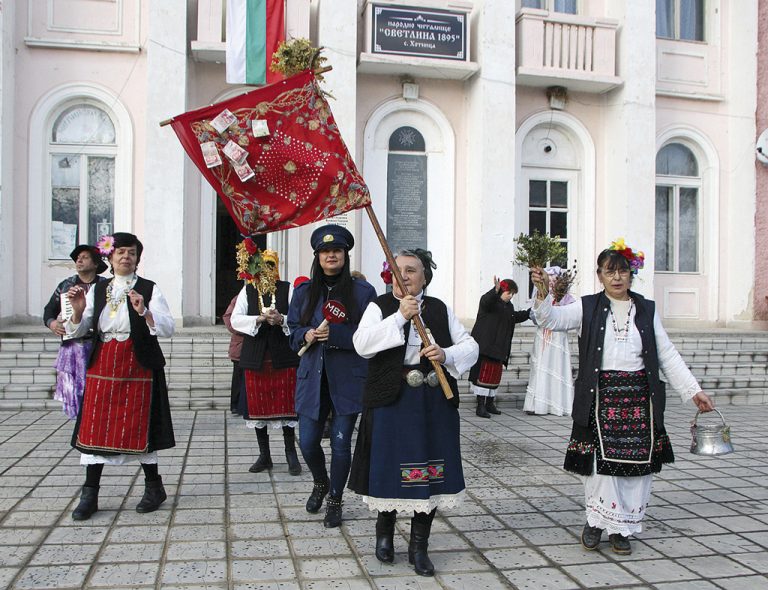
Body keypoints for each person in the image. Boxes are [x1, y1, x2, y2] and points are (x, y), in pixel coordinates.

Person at [530, 239, 714, 555]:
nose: (617, 277)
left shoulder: (646, 309)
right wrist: (543, 292)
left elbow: (666, 353)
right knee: (598, 468)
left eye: (622, 271)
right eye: (609, 271)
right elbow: (550, 320)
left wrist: (693, 390)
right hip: (599, 399)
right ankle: (596, 522)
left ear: (631, 274)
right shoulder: (586, 307)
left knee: (637, 468)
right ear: (600, 276)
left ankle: (622, 529)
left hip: (639, 400)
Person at [349, 249, 479, 576]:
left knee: (430, 474)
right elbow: (362, 344)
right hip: (391, 402)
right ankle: (384, 534)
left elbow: (471, 347)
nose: (403, 276)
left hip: (433, 404)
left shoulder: (439, 308)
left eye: (411, 270)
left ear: (424, 276)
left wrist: (446, 354)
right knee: (390, 469)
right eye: (398, 270)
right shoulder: (379, 306)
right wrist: (399, 316)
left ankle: (419, 546)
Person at [64, 232, 175, 521]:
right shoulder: (98, 289)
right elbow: (80, 328)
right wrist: (77, 312)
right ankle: (90, 494)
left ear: (137, 259)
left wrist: (144, 311)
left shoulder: (149, 288)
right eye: (121, 252)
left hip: (138, 363)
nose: (126, 257)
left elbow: (167, 327)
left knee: (139, 424)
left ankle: (154, 488)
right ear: (110, 257)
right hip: (103, 363)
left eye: (132, 253)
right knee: (95, 426)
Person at [287, 224, 377, 528]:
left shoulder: (363, 293)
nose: (331, 255)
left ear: (345, 255)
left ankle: (335, 499)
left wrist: (335, 335)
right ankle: (320, 482)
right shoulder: (303, 293)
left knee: (340, 444)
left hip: (347, 380)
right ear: (317, 256)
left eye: (336, 250)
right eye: (325, 251)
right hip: (311, 379)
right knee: (307, 442)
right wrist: (306, 334)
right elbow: (292, 331)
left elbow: (370, 335)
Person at [231, 248, 301, 476]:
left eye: (271, 265)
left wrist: (282, 319)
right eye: (262, 266)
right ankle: (265, 455)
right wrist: (259, 318)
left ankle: (291, 453)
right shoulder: (248, 290)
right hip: (256, 357)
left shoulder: (287, 289)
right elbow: (235, 320)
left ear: (276, 267)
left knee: (288, 408)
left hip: (283, 356)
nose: (267, 271)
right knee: (257, 407)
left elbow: (299, 318)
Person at [43, 245, 108, 419]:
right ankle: (79, 422)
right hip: (72, 347)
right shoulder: (66, 285)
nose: (79, 260)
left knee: (97, 389)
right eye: (78, 258)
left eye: (85, 257)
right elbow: (49, 311)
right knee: (73, 391)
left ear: (95, 264)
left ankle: (96, 421)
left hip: (98, 346)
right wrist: (52, 323)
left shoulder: (105, 286)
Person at [468, 277, 530, 418]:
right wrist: (494, 290)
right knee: (482, 376)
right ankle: (480, 406)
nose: (510, 296)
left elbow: (515, 317)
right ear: (501, 291)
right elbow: (486, 301)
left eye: (513, 294)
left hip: (499, 348)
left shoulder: (509, 307)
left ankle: (490, 404)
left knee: (494, 377)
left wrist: (529, 313)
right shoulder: (490, 303)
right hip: (486, 347)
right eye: (509, 293)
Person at [524, 266, 575, 416]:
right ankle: (537, 404)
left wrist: (558, 310)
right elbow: (535, 315)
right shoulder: (540, 296)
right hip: (543, 334)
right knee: (541, 364)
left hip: (558, 335)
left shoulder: (566, 298)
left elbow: (571, 315)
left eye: (554, 280)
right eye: (550, 279)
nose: (552, 282)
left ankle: (558, 404)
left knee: (557, 364)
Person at [222, 294, 244, 414]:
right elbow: (228, 318)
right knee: (238, 377)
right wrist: (245, 328)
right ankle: (235, 404)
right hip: (240, 344)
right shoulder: (238, 298)